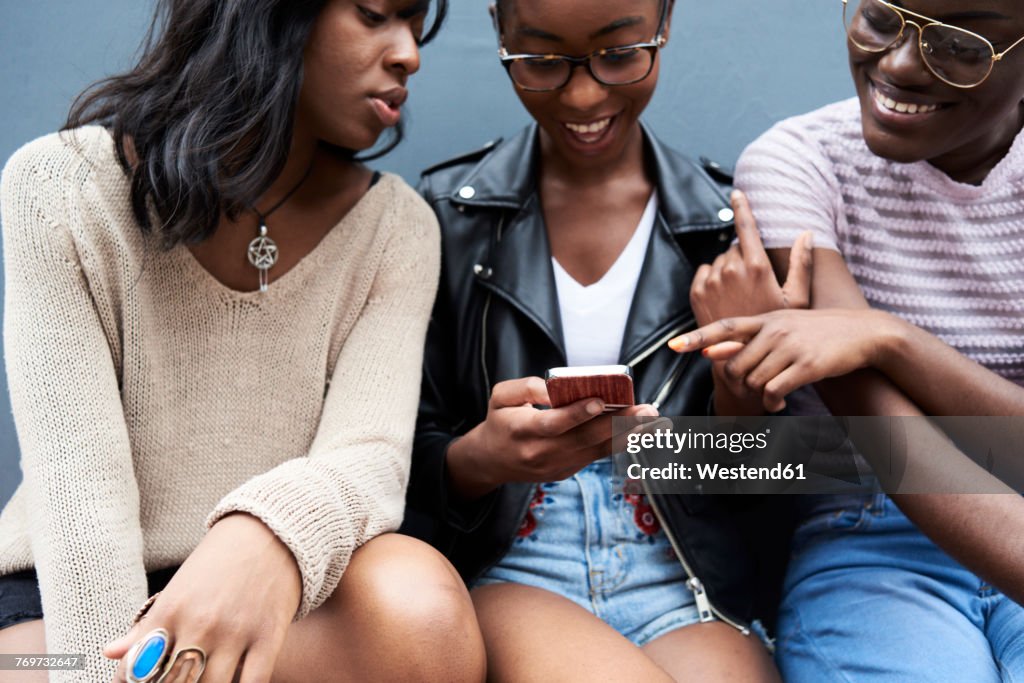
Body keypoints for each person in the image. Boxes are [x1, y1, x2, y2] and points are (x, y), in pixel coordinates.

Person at [0, 1, 488, 681]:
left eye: (414, 24)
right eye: (377, 13)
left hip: (286, 594)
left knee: (423, 615)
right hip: (69, 615)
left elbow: (371, 459)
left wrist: (265, 534)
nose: (409, 53)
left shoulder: (396, 227)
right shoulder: (60, 187)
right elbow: (82, 499)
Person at [403, 0, 795, 680]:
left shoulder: (728, 229)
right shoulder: (446, 218)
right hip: (516, 563)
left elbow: (784, 494)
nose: (583, 94)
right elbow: (397, 468)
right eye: (542, 60)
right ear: (500, 32)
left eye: (619, 54)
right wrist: (483, 457)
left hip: (682, 580)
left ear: (665, 21)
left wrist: (742, 388)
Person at [676, 0, 1024, 680]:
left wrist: (891, 339)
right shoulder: (797, 166)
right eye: (881, 18)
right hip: (870, 538)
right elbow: (895, 449)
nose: (896, 65)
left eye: (957, 45)